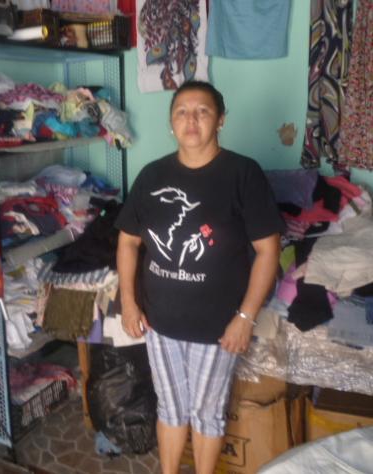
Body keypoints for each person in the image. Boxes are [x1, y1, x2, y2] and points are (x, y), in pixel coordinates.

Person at [115, 80, 283, 474]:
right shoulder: (152, 175)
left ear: (220, 120)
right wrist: (129, 302)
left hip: (217, 328)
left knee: (208, 413)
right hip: (160, 322)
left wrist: (245, 318)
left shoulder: (242, 173)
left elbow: (268, 251)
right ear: (171, 123)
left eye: (202, 111)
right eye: (181, 112)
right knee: (170, 408)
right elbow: (127, 242)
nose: (191, 120)